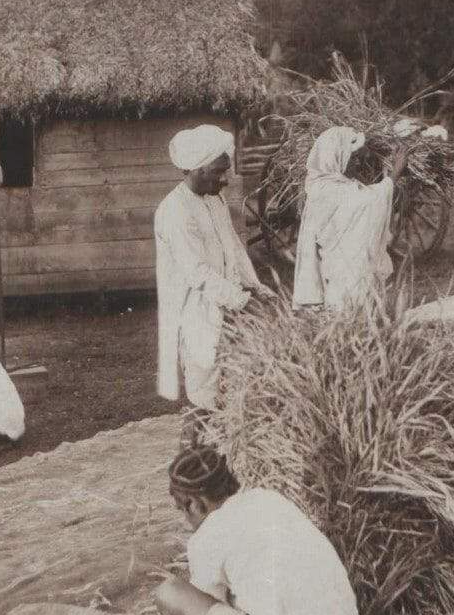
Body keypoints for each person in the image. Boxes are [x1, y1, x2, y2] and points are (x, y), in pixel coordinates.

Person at [154, 446, 365, 615]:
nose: (186, 519)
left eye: (182, 509)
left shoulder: (206, 538)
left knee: (168, 593)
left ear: (194, 503)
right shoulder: (269, 498)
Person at [154, 125, 271, 448]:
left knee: (229, 382)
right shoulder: (175, 211)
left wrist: (255, 287)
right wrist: (241, 300)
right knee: (203, 387)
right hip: (196, 310)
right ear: (196, 168)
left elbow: (233, 247)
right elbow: (197, 272)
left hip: (225, 305)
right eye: (220, 171)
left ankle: (226, 451)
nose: (225, 179)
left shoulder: (214, 200)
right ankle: (192, 460)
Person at [293, 126, 409, 310]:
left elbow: (362, 196)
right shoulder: (331, 190)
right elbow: (370, 201)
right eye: (352, 158)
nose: (357, 164)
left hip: (334, 268)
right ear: (337, 157)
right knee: (346, 304)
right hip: (340, 271)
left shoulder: (322, 183)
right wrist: (395, 173)